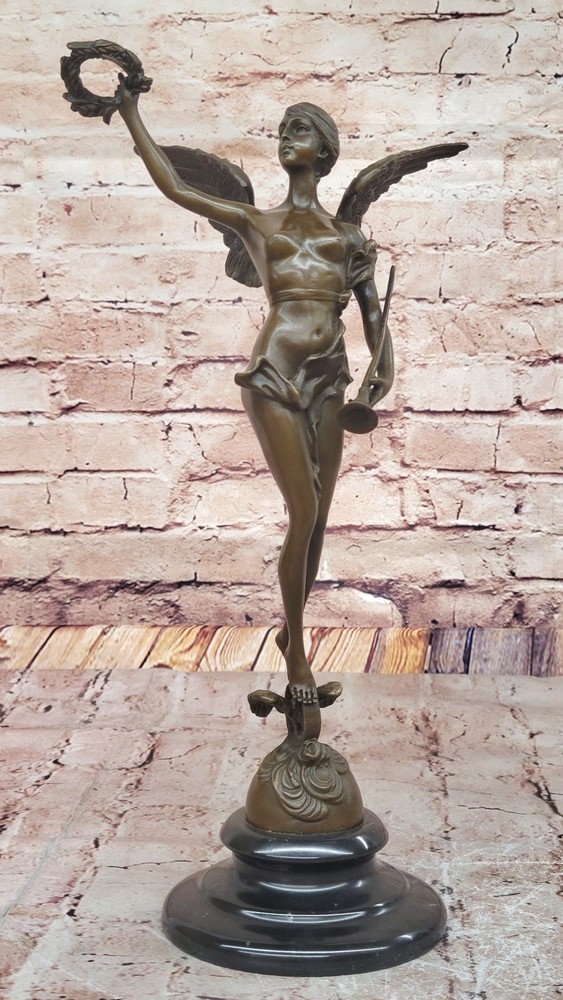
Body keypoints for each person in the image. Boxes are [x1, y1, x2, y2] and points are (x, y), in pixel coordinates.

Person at [116, 88, 393, 705]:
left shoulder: (349, 235)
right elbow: (176, 187)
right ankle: (296, 658)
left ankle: (293, 632)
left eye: (298, 129)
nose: (285, 137)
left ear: (325, 151)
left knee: (320, 516)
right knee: (303, 511)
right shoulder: (257, 221)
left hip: (331, 375)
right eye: (282, 130)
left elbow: (373, 315)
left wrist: (385, 368)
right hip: (275, 372)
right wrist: (132, 113)